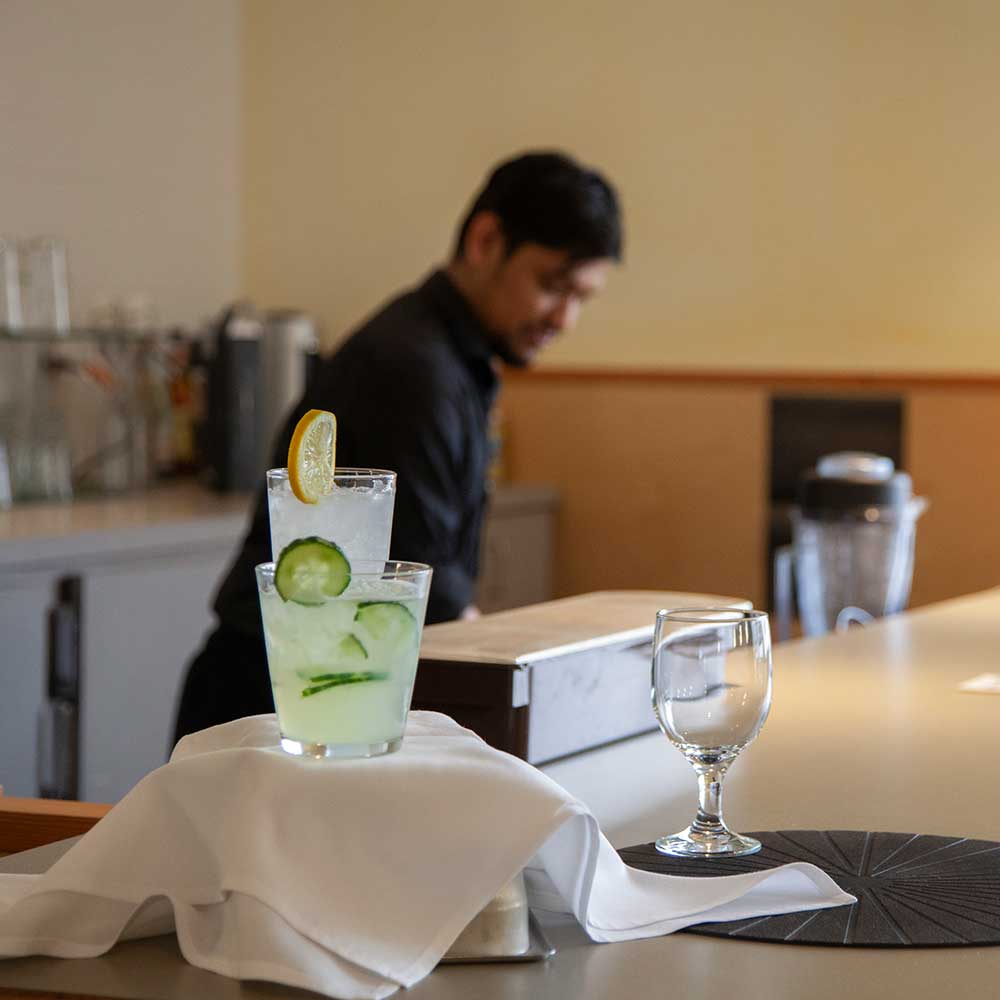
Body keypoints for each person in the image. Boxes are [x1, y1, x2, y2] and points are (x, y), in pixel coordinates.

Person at [173, 150, 623, 743]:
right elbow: (426, 599)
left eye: (582, 298)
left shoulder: (442, 354)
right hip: (282, 704)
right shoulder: (411, 369)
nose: (564, 318)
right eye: (550, 285)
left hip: (315, 695)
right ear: (486, 240)